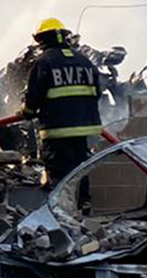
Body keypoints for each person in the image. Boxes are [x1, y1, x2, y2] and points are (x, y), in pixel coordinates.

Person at [19, 17, 104, 201]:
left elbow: (33, 98)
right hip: (84, 129)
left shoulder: (43, 63)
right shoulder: (84, 61)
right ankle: (83, 207)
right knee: (80, 169)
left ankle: (61, 213)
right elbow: (97, 92)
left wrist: (26, 112)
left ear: (41, 40)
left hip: (57, 130)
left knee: (60, 173)